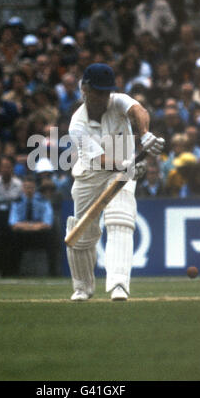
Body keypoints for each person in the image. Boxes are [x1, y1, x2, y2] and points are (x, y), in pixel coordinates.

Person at [66, 63, 164, 301]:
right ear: (85, 90)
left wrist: (145, 134)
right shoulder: (77, 125)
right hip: (90, 174)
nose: (103, 97)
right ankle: (83, 287)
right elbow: (100, 159)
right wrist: (126, 165)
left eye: (106, 91)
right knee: (81, 234)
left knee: (120, 217)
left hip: (121, 172)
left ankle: (119, 284)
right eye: (98, 91)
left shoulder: (117, 100)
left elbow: (138, 110)